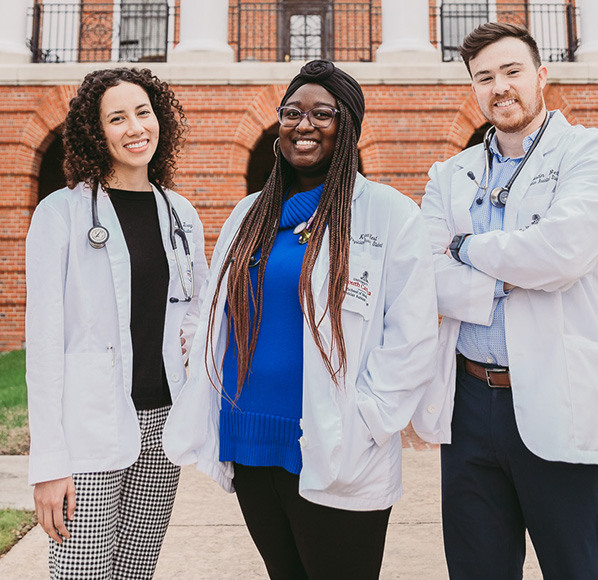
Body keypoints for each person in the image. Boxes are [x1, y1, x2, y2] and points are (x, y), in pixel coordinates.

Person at [162, 60, 438, 580]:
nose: (303, 124)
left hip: (335, 442)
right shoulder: (250, 214)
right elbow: (216, 312)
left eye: (322, 114)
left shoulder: (387, 213)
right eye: (292, 112)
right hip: (247, 438)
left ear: (348, 126)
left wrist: (369, 420)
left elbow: (414, 337)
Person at [415, 22, 598, 579]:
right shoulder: (449, 174)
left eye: (511, 72)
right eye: (484, 77)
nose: (499, 87)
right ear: (473, 89)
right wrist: (508, 274)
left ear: (540, 76)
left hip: (559, 395)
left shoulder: (592, 153)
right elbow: (424, 273)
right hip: (468, 404)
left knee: (578, 567)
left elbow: (560, 254)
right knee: (477, 569)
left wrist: (463, 247)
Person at [25, 67, 208, 579]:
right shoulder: (59, 214)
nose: (135, 128)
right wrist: (49, 465)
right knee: (81, 572)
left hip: (161, 424)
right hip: (88, 426)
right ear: (94, 132)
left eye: (144, 112)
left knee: (134, 572)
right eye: (117, 117)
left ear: (160, 121)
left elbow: (198, 307)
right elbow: (42, 345)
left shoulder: (181, 214)